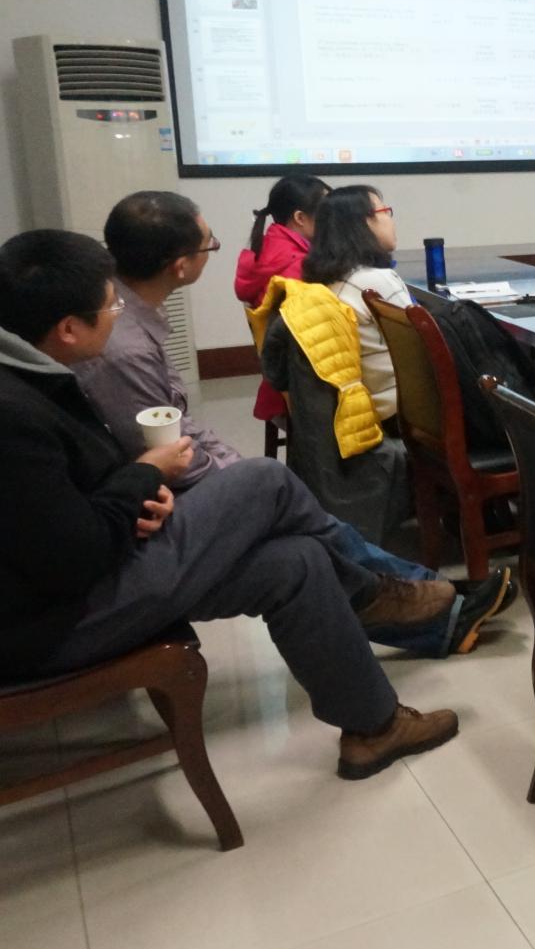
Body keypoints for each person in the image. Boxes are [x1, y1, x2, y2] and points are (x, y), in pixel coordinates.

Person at [0, 229, 460, 779]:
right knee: (266, 481)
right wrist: (145, 475)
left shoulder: (31, 376)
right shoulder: (13, 415)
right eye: (110, 307)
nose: (118, 316)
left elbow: (56, 515)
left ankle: (374, 729)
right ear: (68, 329)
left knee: (296, 563)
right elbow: (72, 559)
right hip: (51, 625)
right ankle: (371, 594)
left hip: (74, 585)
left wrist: (134, 491)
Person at [73, 191, 508, 657]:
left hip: (152, 487)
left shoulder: (131, 323)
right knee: (291, 518)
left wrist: (239, 471)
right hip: (152, 503)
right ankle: (438, 600)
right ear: (181, 266)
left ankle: (438, 607)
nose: (214, 251)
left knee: (297, 529)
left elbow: (179, 428)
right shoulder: (125, 347)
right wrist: (242, 481)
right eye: (210, 244)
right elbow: (168, 449)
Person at [302, 185, 411, 420]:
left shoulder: (327, 280)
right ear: (363, 223)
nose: (390, 219)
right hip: (405, 410)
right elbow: (424, 350)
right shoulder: (375, 281)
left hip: (368, 404)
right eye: (384, 211)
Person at [234, 174, 331, 426]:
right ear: (300, 218)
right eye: (328, 212)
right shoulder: (298, 268)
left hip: (279, 387)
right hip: (301, 396)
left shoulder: (270, 248)